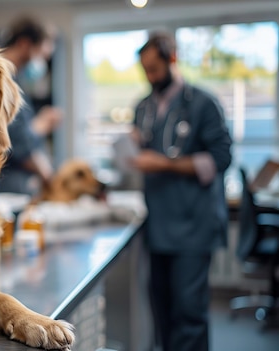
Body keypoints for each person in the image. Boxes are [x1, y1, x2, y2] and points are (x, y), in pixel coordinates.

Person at [130, 31, 232, 351]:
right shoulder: (143, 107)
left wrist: (165, 164)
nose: (150, 77)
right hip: (157, 224)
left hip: (193, 226)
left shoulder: (203, 104)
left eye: (155, 69)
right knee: (161, 310)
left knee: (188, 312)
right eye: (145, 70)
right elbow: (145, 147)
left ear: (172, 59)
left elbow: (221, 159)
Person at [0, 16, 62, 197]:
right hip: (5, 187)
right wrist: (41, 124)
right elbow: (18, 144)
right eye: (41, 55)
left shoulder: (16, 81)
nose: (42, 64)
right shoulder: (0, 79)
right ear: (24, 44)